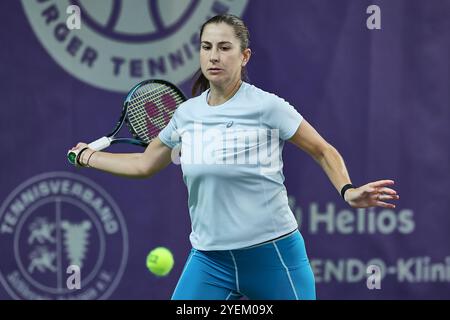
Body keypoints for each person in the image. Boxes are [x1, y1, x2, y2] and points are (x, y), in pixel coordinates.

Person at [69, 14, 399, 300]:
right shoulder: (186, 114)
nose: (214, 55)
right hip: (210, 260)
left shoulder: (268, 107)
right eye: (207, 47)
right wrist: (87, 157)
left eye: (225, 47)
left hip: (273, 256)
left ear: (244, 56)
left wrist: (348, 190)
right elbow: (144, 164)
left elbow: (322, 150)